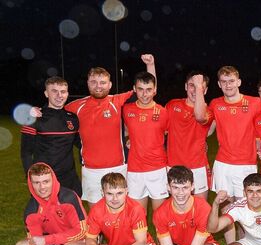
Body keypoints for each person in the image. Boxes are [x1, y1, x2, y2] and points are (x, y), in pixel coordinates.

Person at [64, 54, 156, 207]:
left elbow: (149, 88)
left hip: (119, 167)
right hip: (91, 170)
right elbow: (55, 112)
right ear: (88, 83)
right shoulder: (75, 106)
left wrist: (150, 65)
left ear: (110, 84)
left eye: (102, 82)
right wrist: (36, 112)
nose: (98, 86)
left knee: (122, 213)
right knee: (95, 215)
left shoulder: (117, 101)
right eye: (94, 82)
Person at [197, 66, 260, 243]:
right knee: (227, 210)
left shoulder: (254, 103)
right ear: (219, 84)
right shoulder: (216, 104)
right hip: (223, 164)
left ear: (239, 82)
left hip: (246, 164)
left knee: (246, 209)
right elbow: (206, 127)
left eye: (231, 81)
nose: (228, 85)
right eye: (224, 82)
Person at [21, 76, 81, 196]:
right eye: (54, 91)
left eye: (63, 91)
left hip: (70, 179)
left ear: (67, 93)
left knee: (74, 213)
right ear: (46, 93)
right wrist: (33, 179)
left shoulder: (72, 118)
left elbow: (80, 144)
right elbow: (26, 153)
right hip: (46, 180)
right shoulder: (34, 118)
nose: (59, 95)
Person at [123, 71, 170, 212]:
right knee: (138, 218)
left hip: (158, 170)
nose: (145, 94)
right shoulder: (126, 110)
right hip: (134, 170)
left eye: (149, 90)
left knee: (160, 219)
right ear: (134, 89)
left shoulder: (163, 112)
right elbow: (124, 130)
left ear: (155, 90)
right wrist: (127, 139)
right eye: (141, 89)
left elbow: (173, 134)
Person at [165, 72, 214, 199]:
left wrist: (198, 88)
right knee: (177, 211)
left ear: (205, 90)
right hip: (174, 166)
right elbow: (158, 129)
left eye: (200, 87)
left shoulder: (208, 111)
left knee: (200, 210)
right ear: (186, 86)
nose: (195, 90)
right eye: (192, 85)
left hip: (197, 167)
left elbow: (200, 117)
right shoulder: (172, 105)